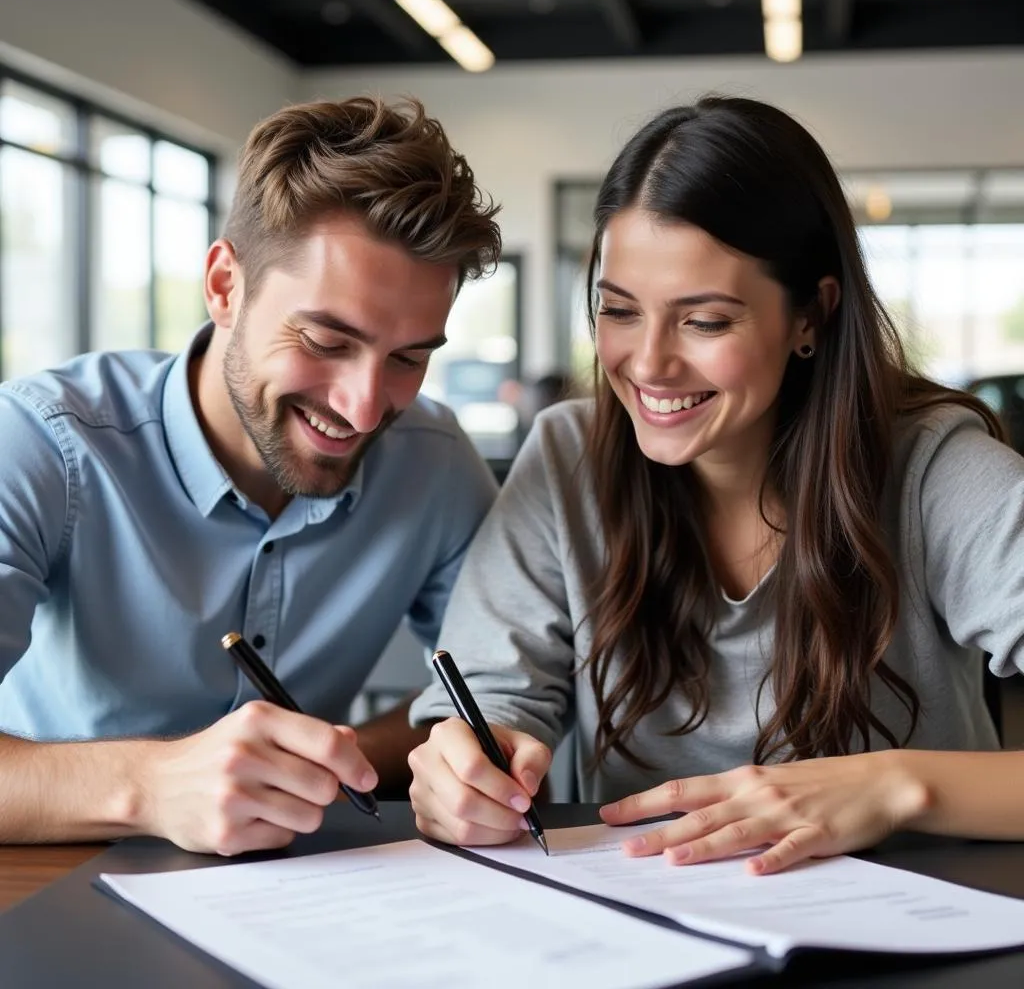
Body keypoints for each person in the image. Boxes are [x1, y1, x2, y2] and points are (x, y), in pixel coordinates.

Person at [407, 95, 1024, 874]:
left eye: (705, 321)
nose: (649, 363)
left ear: (812, 315)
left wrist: (897, 785)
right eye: (620, 311)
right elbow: (486, 707)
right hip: (654, 928)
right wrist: (462, 767)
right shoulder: (568, 457)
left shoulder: (938, 471)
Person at [0, 96, 501, 854]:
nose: (365, 408)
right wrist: (155, 784)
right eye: (327, 340)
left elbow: (485, 689)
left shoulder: (435, 461)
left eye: (408, 358)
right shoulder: (42, 441)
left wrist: (344, 763)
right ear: (225, 286)